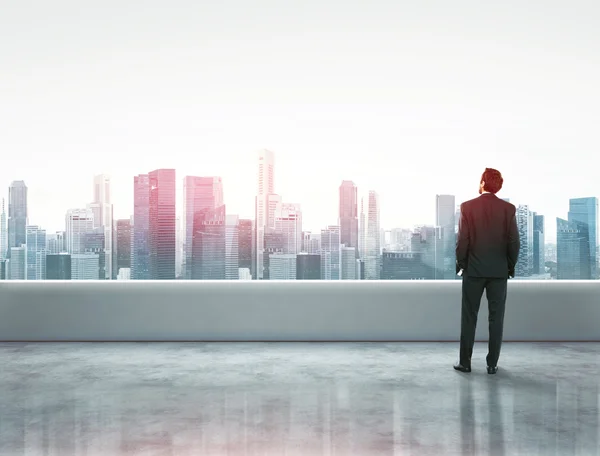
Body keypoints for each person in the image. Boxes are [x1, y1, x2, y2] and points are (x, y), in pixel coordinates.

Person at [453, 168, 520, 375]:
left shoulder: (467, 207)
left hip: (473, 270)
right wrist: (509, 266)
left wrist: (461, 264)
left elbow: (463, 240)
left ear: (482, 182)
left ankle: (465, 363)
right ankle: (492, 364)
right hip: (499, 272)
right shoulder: (508, 209)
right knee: (496, 318)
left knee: (469, 317)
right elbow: (514, 242)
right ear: (498, 186)